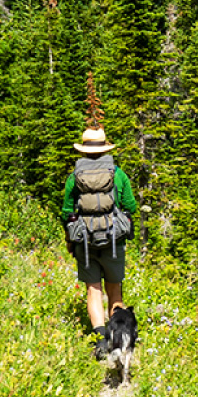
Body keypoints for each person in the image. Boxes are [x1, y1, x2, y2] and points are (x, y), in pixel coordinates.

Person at [61, 123, 135, 354]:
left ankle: (100, 341)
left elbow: (66, 211)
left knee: (93, 290)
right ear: (105, 149)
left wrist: (70, 240)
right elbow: (130, 205)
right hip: (114, 240)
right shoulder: (118, 174)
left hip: (85, 241)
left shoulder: (75, 177)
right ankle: (118, 337)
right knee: (115, 291)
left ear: (83, 150)